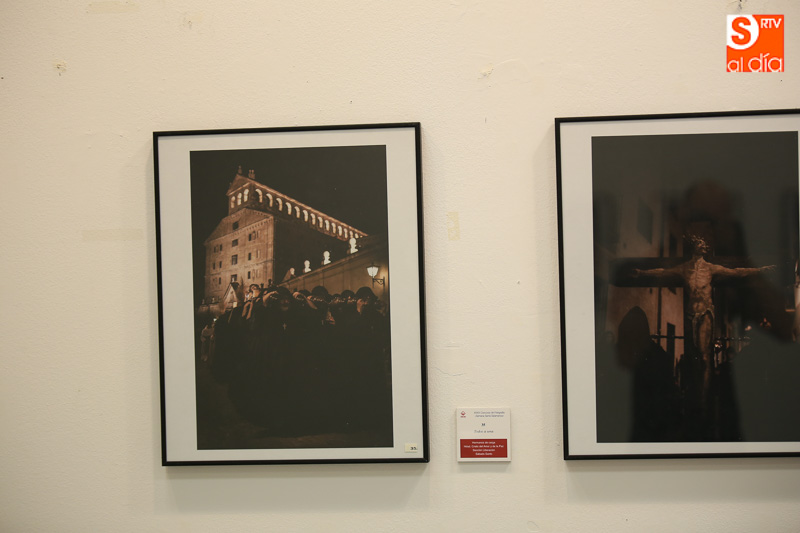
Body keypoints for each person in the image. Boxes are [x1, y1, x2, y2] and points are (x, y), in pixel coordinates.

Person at [634, 234, 773, 402]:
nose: (703, 246)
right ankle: (693, 392)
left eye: (704, 244)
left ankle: (703, 397)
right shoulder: (684, 269)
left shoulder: (710, 268)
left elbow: (736, 272)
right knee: (691, 354)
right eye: (700, 243)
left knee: (704, 355)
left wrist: (760, 270)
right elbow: (663, 272)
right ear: (694, 247)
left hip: (705, 313)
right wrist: (641, 272)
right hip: (690, 313)